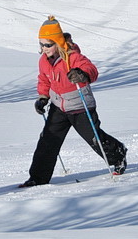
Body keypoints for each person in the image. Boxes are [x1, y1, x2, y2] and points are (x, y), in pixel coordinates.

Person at [19, 16, 127, 187]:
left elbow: (91, 70)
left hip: (79, 105)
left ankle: (118, 154)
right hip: (58, 106)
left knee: (94, 138)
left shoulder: (73, 57)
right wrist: (43, 97)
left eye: (48, 44)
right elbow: (44, 80)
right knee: (48, 141)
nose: (44, 48)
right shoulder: (44, 61)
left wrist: (82, 74)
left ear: (58, 42)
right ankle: (38, 178)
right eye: (41, 44)